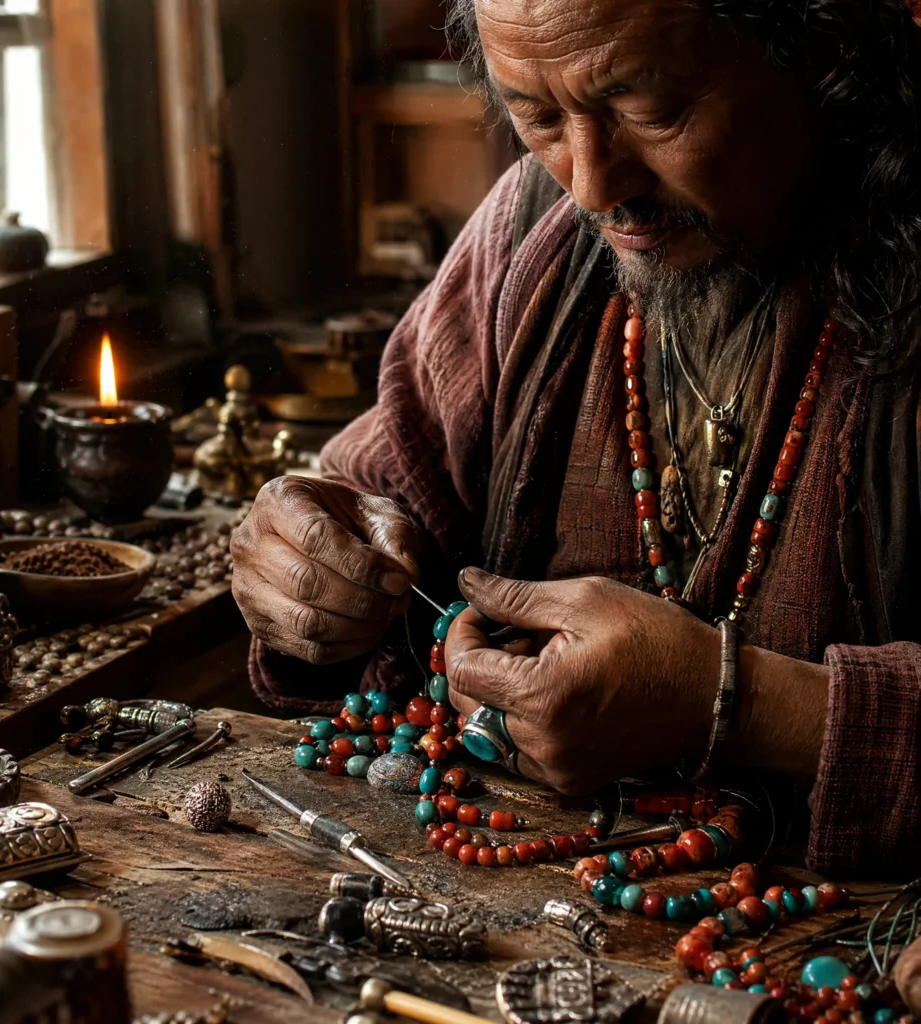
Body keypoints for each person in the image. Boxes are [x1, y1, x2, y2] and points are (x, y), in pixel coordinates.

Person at [230, 0, 921, 877]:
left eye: (651, 110)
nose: (594, 186)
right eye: (539, 118)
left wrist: (737, 704)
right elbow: (378, 488)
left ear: (826, 48)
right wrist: (310, 563)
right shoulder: (533, 235)